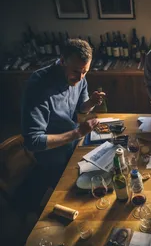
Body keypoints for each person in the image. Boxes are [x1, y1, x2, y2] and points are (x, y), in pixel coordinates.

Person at [22, 38, 105, 189]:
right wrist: (78, 132)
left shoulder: (79, 76)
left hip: (75, 145)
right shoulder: (39, 85)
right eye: (76, 71)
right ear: (62, 61)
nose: (80, 78)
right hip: (53, 160)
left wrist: (91, 103)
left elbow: (81, 108)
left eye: (85, 72)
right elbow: (32, 141)